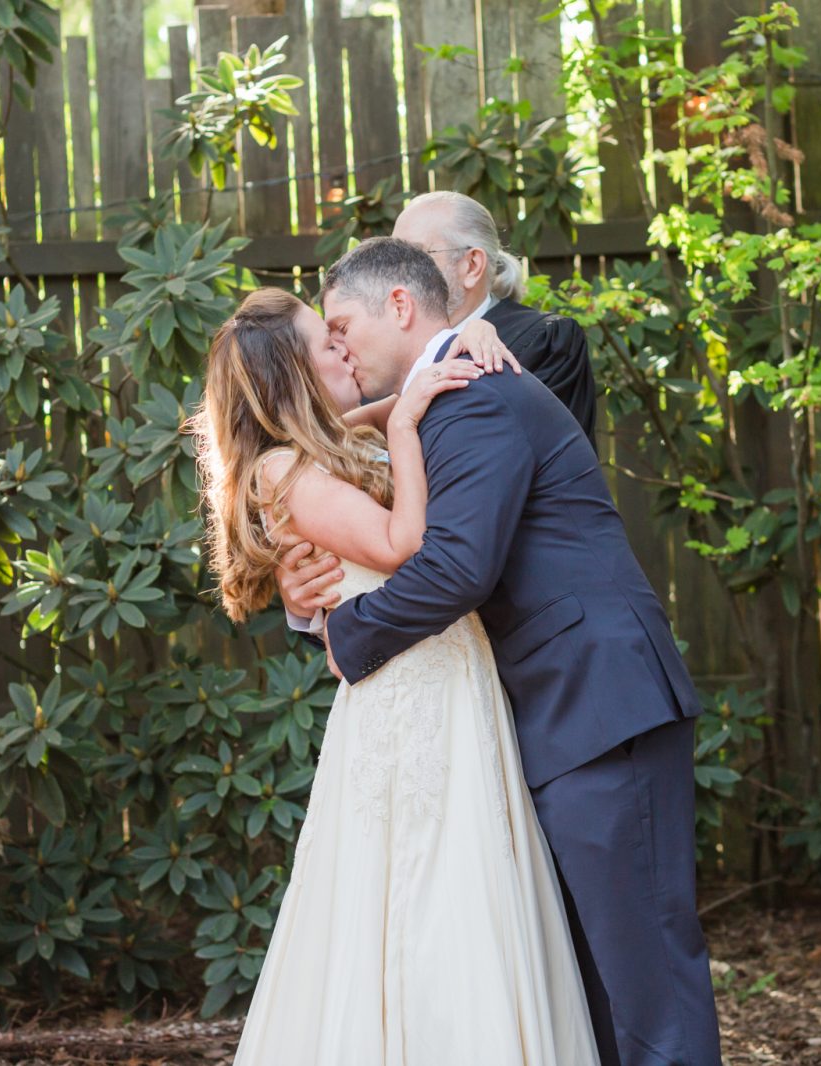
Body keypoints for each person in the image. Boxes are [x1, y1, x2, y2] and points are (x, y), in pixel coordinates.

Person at [320, 238, 722, 1066]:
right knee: (596, 985)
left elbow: (458, 566)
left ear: (400, 307)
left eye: (341, 325)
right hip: (565, 710)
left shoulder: (477, 393)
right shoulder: (438, 397)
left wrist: (347, 632)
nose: (338, 347)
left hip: (600, 701)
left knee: (645, 977)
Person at [197, 286, 600, 1064]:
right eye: (327, 344)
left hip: (450, 682)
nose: (345, 349)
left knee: (470, 887)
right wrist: (408, 419)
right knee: (419, 893)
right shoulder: (282, 469)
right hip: (408, 700)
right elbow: (400, 541)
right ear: (290, 375)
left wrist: (453, 353)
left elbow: (349, 444)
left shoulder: (307, 450)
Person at [278, 190, 598, 631]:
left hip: (537, 630)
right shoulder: (382, 380)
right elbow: (367, 523)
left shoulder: (527, 349)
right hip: (433, 638)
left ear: (472, 265)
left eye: (417, 253)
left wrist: (353, 632)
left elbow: (484, 509)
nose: (401, 266)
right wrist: (307, 599)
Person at [394, 190, 598, 446]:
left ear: (471, 266)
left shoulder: (544, 342)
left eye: (414, 257)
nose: (396, 274)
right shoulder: (386, 351)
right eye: (392, 259)